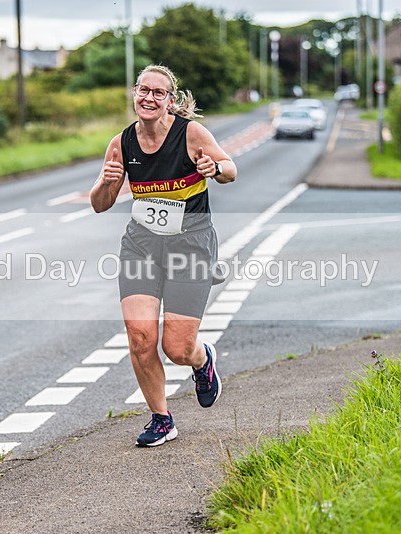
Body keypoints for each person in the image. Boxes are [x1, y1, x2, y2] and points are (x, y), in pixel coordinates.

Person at [90, 64, 237, 447]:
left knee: (176, 348)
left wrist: (215, 167)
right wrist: (107, 183)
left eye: (159, 93)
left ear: (170, 101)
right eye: (144, 90)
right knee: (140, 337)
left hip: (190, 244)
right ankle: (161, 418)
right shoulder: (121, 143)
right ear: (134, 94)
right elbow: (99, 205)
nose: (149, 98)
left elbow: (230, 170)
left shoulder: (191, 134)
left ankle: (202, 360)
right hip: (142, 245)